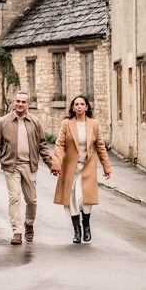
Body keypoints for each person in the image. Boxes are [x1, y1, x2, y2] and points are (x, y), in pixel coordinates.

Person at [0, 90, 55, 245]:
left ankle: (29, 224)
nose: (20, 104)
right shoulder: (3, 122)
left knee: (31, 200)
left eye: (24, 102)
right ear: (13, 101)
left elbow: (42, 146)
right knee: (14, 198)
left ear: (28, 104)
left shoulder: (35, 122)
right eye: (18, 101)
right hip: (11, 166)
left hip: (30, 166)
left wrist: (51, 164)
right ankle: (17, 231)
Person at [51, 95, 111, 244]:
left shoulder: (94, 124)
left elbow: (100, 146)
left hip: (87, 167)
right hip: (71, 168)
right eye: (76, 104)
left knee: (86, 199)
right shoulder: (67, 123)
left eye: (81, 104)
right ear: (72, 108)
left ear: (86, 107)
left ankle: (87, 226)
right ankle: (77, 231)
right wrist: (56, 165)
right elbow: (59, 145)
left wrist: (106, 167)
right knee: (73, 200)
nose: (79, 106)